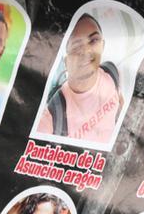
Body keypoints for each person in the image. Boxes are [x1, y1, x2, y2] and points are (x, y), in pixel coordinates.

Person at [36, 15, 124, 143]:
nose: (87, 51)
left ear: (103, 45)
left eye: (93, 40)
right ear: (66, 61)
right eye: (76, 45)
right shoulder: (52, 117)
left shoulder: (112, 73)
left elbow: (121, 104)